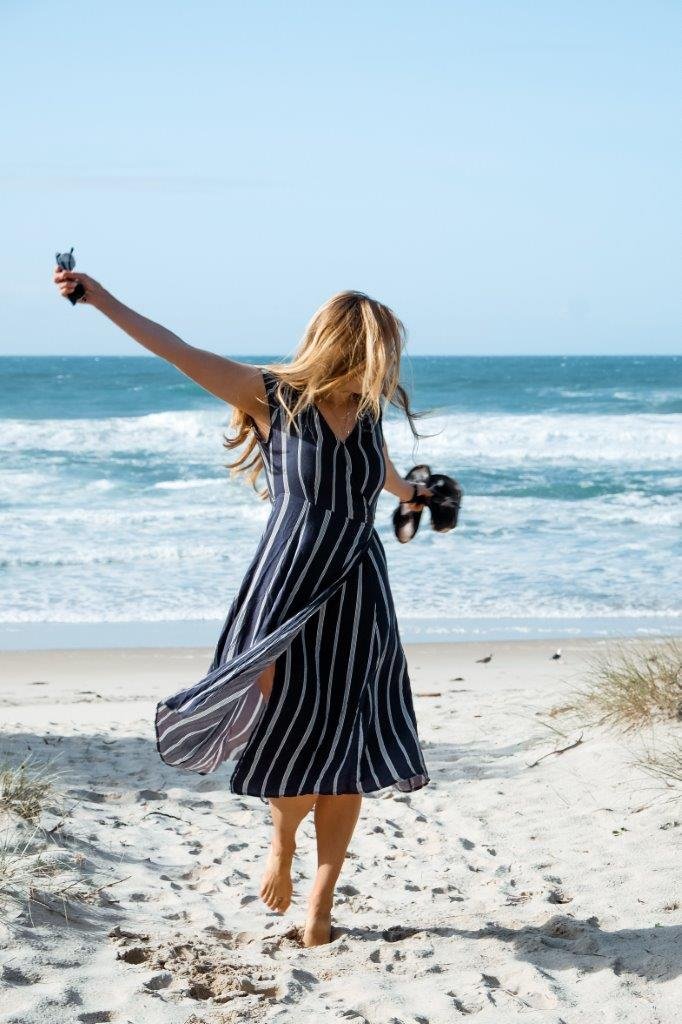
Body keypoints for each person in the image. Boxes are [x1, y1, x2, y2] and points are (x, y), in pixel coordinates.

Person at [53, 266, 433, 947]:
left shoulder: (371, 414)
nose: (382, 364)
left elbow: (381, 477)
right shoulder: (274, 397)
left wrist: (417, 498)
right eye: (376, 349)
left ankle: (321, 903)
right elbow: (174, 348)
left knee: (347, 746)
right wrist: (99, 296)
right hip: (286, 592)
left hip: (359, 594)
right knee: (289, 733)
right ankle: (282, 845)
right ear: (346, 344)